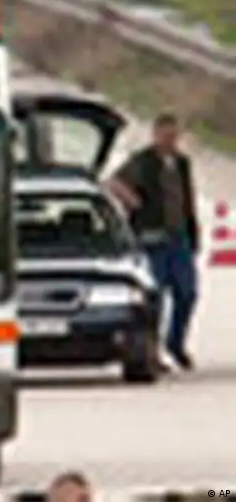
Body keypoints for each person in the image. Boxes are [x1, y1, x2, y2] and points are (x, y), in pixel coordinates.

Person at [106, 113, 200, 371]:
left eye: (174, 136)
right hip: (151, 239)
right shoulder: (142, 161)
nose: (170, 140)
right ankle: (151, 351)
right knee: (154, 298)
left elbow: (187, 198)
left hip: (179, 238)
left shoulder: (182, 163)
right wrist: (133, 201)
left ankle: (175, 343)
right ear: (156, 135)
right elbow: (113, 182)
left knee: (187, 293)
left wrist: (193, 231)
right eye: (166, 135)